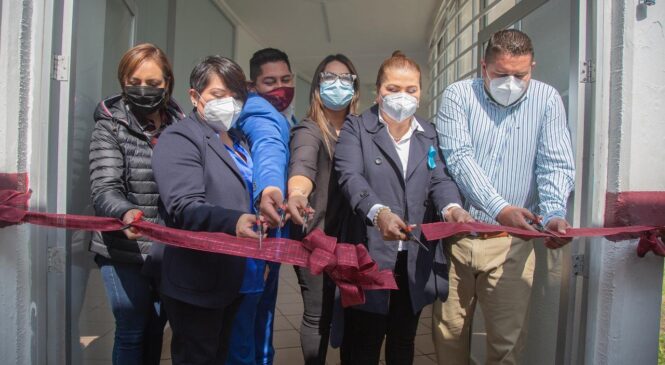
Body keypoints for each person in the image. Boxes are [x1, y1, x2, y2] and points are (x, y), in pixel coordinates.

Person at [432, 29, 575, 365]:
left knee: (507, 346)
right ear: (484, 66)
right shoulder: (458, 96)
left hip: (512, 242)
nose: (510, 82)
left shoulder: (547, 100)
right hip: (457, 239)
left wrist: (553, 213)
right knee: (448, 336)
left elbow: (554, 163)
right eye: (500, 74)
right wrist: (499, 208)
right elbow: (459, 158)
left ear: (533, 68)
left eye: (520, 75)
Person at [333, 50, 474, 365]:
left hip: (414, 258)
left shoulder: (429, 134)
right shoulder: (357, 129)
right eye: (393, 89)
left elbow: (440, 180)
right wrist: (379, 212)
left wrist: (452, 208)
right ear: (377, 91)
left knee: (403, 340)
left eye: (411, 89)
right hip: (369, 255)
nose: (402, 96)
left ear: (421, 93)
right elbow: (350, 178)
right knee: (364, 343)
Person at [151, 56, 261, 365]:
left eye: (236, 95)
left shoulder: (238, 140)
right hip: (196, 280)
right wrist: (235, 221)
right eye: (218, 94)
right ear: (195, 96)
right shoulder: (180, 138)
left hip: (235, 274)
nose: (229, 102)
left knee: (222, 353)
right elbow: (184, 205)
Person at [88, 43, 183, 365]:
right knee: (131, 328)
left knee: (157, 326)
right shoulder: (110, 126)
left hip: (166, 249)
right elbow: (104, 187)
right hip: (122, 249)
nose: (144, 90)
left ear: (167, 83)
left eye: (154, 83)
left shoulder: (180, 128)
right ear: (123, 81)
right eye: (135, 81)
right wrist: (126, 213)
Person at [285, 54, 360, 364]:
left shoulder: (360, 130)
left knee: (352, 315)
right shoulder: (309, 129)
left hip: (352, 239)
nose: (338, 85)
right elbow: (302, 165)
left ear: (355, 88)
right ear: (317, 86)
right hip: (314, 239)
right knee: (318, 315)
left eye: (345, 79)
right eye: (330, 78)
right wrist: (297, 193)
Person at [228, 47, 294, 365]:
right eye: (270, 81)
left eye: (285, 79)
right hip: (256, 234)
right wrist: (270, 187)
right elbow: (268, 145)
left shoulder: (285, 118)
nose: (280, 88)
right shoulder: (258, 111)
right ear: (254, 86)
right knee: (249, 328)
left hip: (270, 234)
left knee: (260, 321)